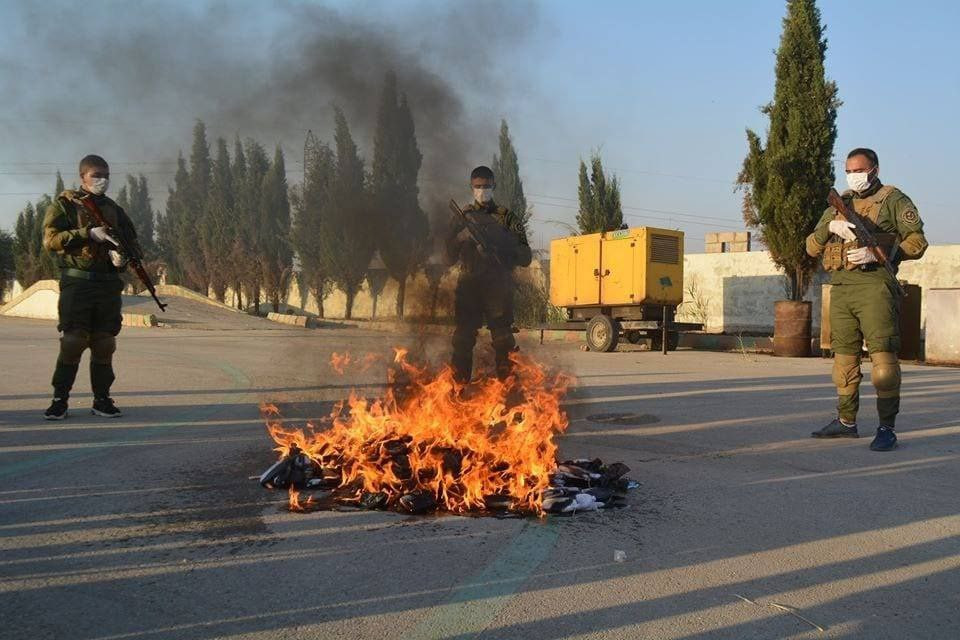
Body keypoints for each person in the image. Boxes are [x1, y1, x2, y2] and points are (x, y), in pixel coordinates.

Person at [806, 148, 928, 451]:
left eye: (858, 170)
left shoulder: (893, 199)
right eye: (848, 170)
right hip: (842, 287)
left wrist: (882, 252)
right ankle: (846, 422)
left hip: (875, 285)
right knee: (843, 361)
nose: (853, 176)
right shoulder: (840, 203)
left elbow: (918, 241)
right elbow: (810, 247)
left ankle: (887, 428)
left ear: (873, 169)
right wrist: (829, 227)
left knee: (883, 363)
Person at [41, 154, 140, 419]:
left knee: (105, 342)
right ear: (82, 176)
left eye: (106, 175)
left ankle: (102, 399)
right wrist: (87, 234)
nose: (102, 180)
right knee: (73, 341)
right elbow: (51, 240)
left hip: (107, 284)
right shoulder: (65, 205)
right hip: (78, 282)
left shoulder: (113, 208)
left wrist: (123, 258)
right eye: (96, 175)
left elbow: (131, 241)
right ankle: (59, 399)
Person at [445, 165, 532, 383]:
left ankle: (508, 391)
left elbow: (526, 256)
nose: (482, 190)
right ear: (472, 187)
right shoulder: (462, 217)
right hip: (469, 286)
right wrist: (461, 237)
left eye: (487, 186)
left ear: (494, 186)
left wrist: (500, 247)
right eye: (478, 186)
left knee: (503, 341)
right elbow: (448, 257)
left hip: (498, 287)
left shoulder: (507, 218)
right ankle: (458, 390)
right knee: (463, 340)